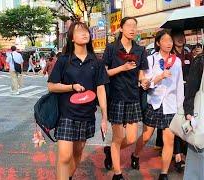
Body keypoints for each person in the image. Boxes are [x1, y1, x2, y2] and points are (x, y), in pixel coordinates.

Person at [48, 21, 108, 180]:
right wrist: (71, 87)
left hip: (87, 115)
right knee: (64, 156)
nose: (84, 33)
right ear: (72, 38)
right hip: (66, 114)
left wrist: (104, 117)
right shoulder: (64, 60)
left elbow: (101, 89)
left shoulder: (97, 61)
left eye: (86, 31)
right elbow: (52, 86)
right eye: (79, 31)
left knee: (77, 153)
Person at [132, 30, 184, 180]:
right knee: (147, 135)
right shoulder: (150, 60)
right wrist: (160, 76)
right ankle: (135, 155)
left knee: (169, 140)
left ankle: (164, 173)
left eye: (170, 41)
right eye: (165, 40)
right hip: (154, 103)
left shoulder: (177, 61)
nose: (169, 43)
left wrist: (180, 107)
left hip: (170, 105)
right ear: (158, 43)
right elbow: (146, 84)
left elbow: (179, 85)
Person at [102, 17, 149, 180]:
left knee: (130, 138)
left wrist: (143, 81)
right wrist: (122, 68)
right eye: (129, 25)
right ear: (121, 28)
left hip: (133, 97)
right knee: (118, 137)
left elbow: (142, 73)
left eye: (135, 26)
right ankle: (117, 174)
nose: (132, 28)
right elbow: (104, 73)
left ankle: (110, 151)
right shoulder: (112, 48)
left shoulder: (140, 50)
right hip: (116, 97)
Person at [171, 29, 192, 172]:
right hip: (175, 95)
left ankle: (187, 152)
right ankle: (178, 155)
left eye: (181, 36)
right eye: (176, 36)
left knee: (188, 122)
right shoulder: (170, 56)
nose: (179, 38)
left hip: (190, 94)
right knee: (178, 123)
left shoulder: (189, 53)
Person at [183, 51, 204, 179]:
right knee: (197, 162)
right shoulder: (200, 61)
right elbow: (190, 91)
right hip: (200, 119)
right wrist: (189, 113)